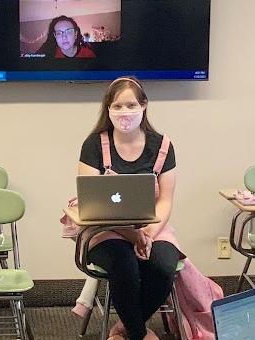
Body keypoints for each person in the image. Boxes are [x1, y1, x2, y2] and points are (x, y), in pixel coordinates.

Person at [78, 76, 179, 340]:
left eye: (131, 105)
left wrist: (148, 233)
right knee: (125, 265)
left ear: (144, 106)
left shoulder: (163, 146)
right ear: (108, 109)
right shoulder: (93, 145)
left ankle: (124, 328)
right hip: (104, 229)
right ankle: (139, 334)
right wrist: (134, 236)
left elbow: (166, 200)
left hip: (152, 227)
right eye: (118, 106)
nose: (125, 112)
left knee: (164, 267)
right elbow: (92, 203)